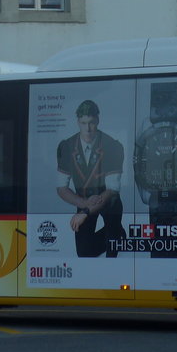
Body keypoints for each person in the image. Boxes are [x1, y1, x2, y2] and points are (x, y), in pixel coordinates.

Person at [56, 99, 125, 257]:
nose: (87, 129)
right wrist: (84, 205)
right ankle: (117, 234)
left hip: (108, 203)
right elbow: (61, 188)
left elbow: (112, 190)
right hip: (82, 199)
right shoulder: (66, 146)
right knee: (84, 252)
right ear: (78, 122)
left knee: (112, 248)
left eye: (91, 123)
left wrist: (85, 212)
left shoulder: (112, 146)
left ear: (98, 121)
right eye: (83, 123)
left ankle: (116, 233)